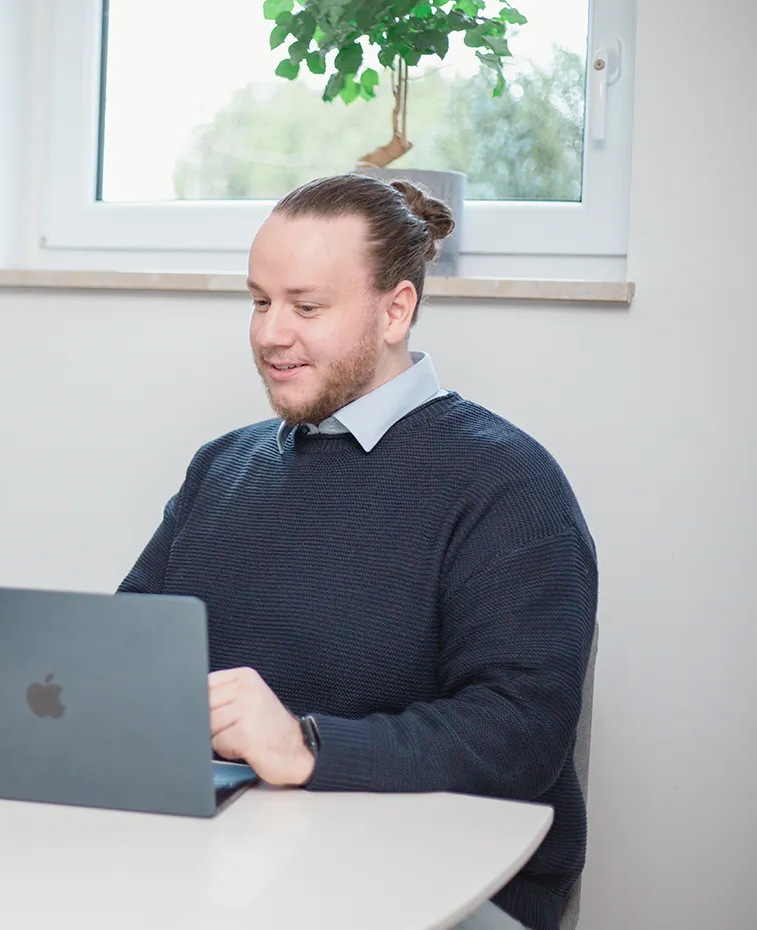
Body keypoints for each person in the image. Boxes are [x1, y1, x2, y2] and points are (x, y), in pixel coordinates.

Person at [119, 174, 597, 930]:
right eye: (259, 300)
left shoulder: (506, 484)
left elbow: (520, 733)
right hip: (231, 864)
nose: (271, 332)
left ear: (395, 309)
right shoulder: (222, 467)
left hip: (433, 883)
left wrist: (308, 749)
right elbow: (126, 648)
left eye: (306, 306)